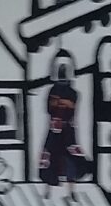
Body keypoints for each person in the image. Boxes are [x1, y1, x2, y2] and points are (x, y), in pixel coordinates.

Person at [38, 58, 91, 191]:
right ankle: (50, 187)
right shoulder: (53, 91)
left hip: (67, 129)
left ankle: (70, 189)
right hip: (55, 128)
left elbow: (70, 108)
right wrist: (61, 106)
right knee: (52, 155)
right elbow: (50, 108)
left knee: (70, 155)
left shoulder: (72, 93)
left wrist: (61, 105)